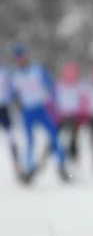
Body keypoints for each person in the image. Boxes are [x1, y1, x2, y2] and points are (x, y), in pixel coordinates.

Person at [10, 43, 69, 183]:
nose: (21, 60)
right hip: (27, 111)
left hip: (42, 108)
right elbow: (12, 94)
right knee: (30, 141)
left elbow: (51, 87)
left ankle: (62, 167)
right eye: (18, 58)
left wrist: (56, 107)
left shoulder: (37, 70)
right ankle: (29, 170)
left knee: (54, 137)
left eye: (22, 56)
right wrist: (17, 106)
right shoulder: (15, 75)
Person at [0, 56, 20, 173]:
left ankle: (17, 164)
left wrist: (13, 98)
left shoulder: (6, 72)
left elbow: (14, 88)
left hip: (4, 108)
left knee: (10, 135)